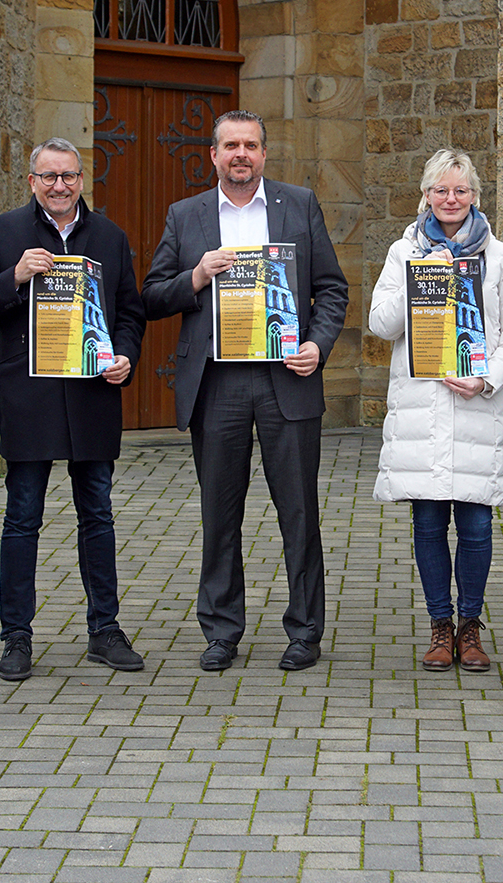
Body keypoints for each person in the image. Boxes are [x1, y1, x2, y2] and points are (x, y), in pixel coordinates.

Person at [142, 109, 350, 672]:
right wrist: (196, 277)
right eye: (230, 145)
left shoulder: (298, 204)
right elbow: (153, 294)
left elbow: (332, 288)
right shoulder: (186, 216)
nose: (241, 154)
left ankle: (305, 631)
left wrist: (318, 344)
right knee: (220, 512)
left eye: (251, 146)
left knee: (299, 513)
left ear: (264, 153)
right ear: (213, 154)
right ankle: (221, 630)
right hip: (218, 381)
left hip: (287, 376)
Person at [0, 138, 148, 680]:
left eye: (69, 176)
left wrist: (126, 356)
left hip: (92, 398)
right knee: (22, 519)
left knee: (99, 515)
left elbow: (130, 312)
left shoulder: (109, 237)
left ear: (82, 180)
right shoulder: (2, 234)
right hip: (31, 399)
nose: (59, 186)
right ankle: (16, 637)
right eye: (49, 177)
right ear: (32, 181)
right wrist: (13, 277)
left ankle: (104, 630)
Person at [369, 150, 503, 672]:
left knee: (476, 526)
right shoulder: (403, 253)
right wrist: (424, 279)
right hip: (421, 411)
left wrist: (487, 377)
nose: (450, 200)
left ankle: (470, 628)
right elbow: (380, 324)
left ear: (475, 197)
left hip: (475, 410)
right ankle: (438, 626)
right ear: (425, 195)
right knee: (427, 525)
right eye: (440, 191)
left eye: (460, 191)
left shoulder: (501, 258)